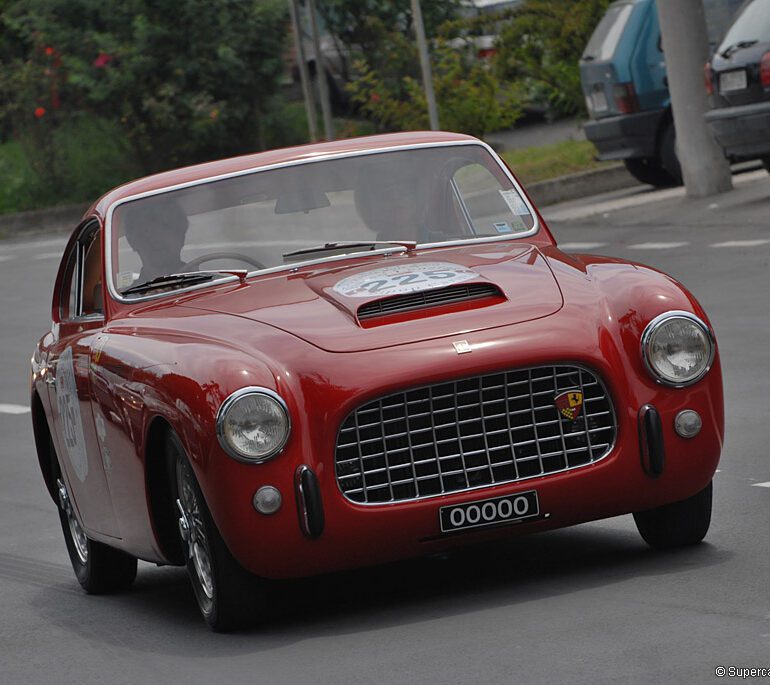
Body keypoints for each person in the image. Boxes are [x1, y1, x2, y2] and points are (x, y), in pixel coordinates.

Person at [121, 196, 189, 284]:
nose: (157, 239)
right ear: (132, 242)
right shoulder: (127, 296)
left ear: (181, 236)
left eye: (165, 229)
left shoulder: (208, 283)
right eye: (147, 231)